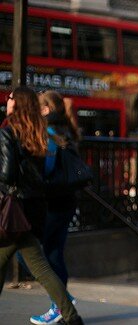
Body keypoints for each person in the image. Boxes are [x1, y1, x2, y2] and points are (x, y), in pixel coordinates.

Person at [0, 87, 83, 325]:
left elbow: (7, 174)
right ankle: (67, 309)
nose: (7, 101)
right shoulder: (38, 131)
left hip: (18, 208)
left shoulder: (10, 132)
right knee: (42, 258)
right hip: (39, 204)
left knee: (41, 261)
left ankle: (66, 308)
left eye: (11, 99)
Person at [25, 90, 81, 325]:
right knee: (54, 252)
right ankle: (60, 304)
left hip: (53, 201)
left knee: (32, 253)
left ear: (45, 110)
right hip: (67, 200)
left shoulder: (48, 132)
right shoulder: (66, 130)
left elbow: (46, 169)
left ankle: (61, 301)